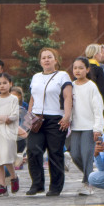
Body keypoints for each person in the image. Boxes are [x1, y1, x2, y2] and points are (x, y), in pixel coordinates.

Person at [26, 48, 73, 197]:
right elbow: (32, 98)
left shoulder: (62, 76)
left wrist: (66, 117)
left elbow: (67, 97)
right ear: (40, 61)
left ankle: (55, 187)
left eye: (49, 57)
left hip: (55, 119)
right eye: (43, 58)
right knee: (33, 150)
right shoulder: (35, 77)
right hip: (37, 118)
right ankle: (37, 184)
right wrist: (28, 117)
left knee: (55, 153)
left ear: (55, 60)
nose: (46, 60)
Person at [69, 57, 104, 195]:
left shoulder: (91, 86)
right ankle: (90, 174)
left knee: (87, 154)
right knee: (75, 154)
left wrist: (97, 128)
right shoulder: (70, 86)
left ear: (87, 69)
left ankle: (88, 183)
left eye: (81, 68)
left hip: (89, 127)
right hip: (75, 127)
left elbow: (98, 109)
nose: (77, 70)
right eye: (75, 68)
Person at [0, 73, 21, 197]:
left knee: (7, 157)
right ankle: (2, 186)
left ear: (10, 84)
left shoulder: (13, 99)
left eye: (5, 83)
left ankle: (13, 177)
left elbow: (13, 116)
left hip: (8, 132)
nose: (2, 86)